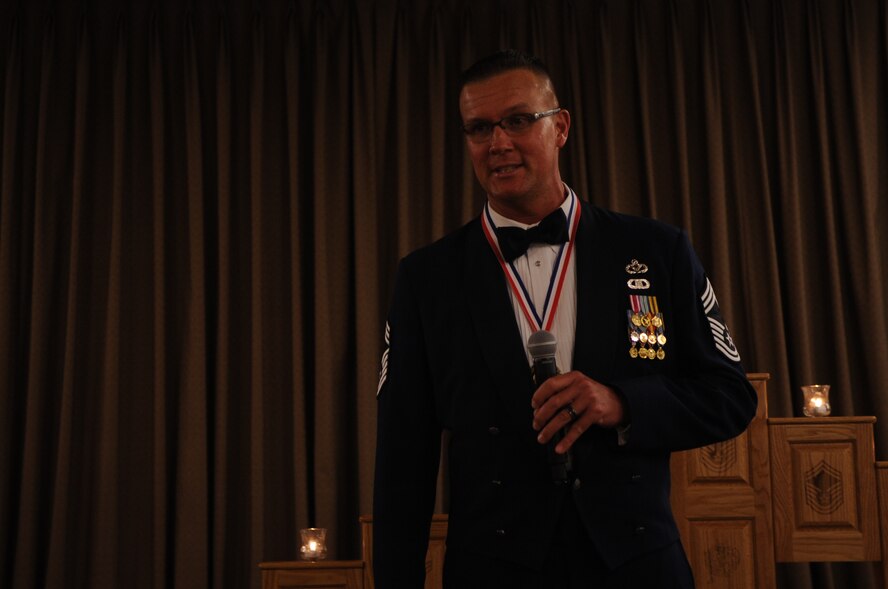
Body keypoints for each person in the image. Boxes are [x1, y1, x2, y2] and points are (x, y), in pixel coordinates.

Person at [372, 49, 757, 588]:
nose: (497, 142)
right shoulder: (426, 278)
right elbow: (402, 461)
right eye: (479, 128)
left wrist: (622, 403)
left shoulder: (655, 250)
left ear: (561, 128)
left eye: (518, 120)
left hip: (637, 566)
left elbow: (729, 396)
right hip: (493, 572)